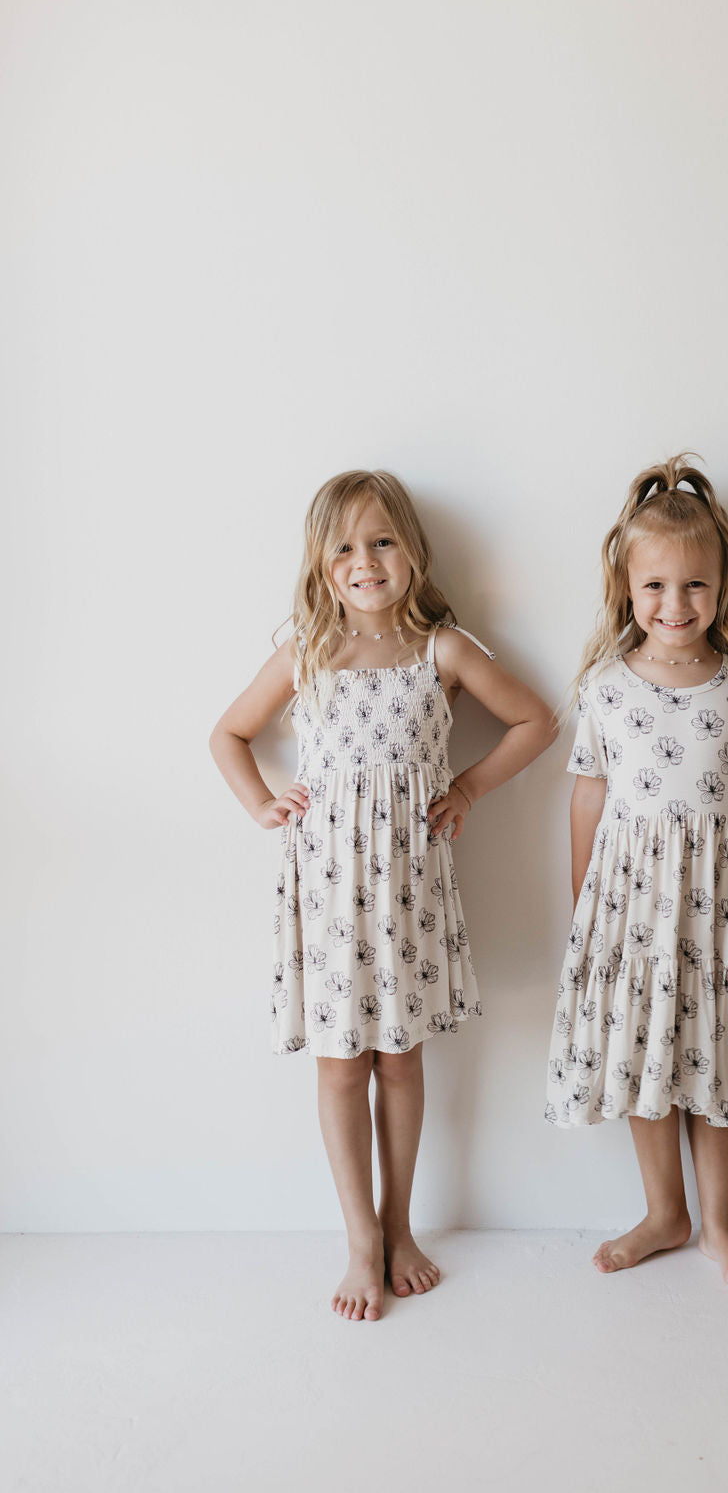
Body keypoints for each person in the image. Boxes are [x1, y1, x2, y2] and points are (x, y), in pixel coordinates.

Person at [211, 470, 556, 1321]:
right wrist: (262, 802)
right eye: (345, 548)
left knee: (400, 1060)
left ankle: (402, 1227)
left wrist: (468, 789)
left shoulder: (443, 648)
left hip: (407, 897)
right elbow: (227, 733)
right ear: (322, 566)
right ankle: (360, 1238)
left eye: (382, 541)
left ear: (411, 550)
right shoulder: (306, 652)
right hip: (329, 897)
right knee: (341, 1068)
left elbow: (537, 721)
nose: (365, 561)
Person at [547, 455, 728, 1296]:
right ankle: (665, 1213)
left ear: (722, 588)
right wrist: (586, 904)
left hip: (715, 914)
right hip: (630, 913)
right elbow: (587, 801)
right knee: (648, 1063)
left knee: (708, 1064)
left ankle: (718, 1222)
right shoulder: (605, 688)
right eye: (655, 587)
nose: (674, 605)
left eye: (694, 586)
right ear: (626, 587)